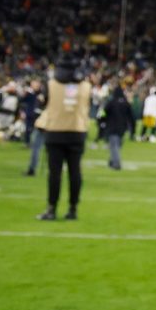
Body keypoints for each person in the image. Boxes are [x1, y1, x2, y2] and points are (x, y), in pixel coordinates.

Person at [36, 55, 92, 221]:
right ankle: (73, 208)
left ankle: (52, 208)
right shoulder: (86, 86)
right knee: (75, 172)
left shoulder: (50, 84)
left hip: (55, 131)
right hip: (77, 130)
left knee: (55, 173)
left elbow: (44, 104)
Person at [103, 86, 135, 171]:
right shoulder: (126, 103)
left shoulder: (111, 102)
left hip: (112, 127)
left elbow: (103, 112)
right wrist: (132, 129)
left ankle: (116, 164)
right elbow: (131, 117)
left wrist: (102, 121)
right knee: (117, 146)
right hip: (122, 128)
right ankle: (112, 161)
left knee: (114, 146)